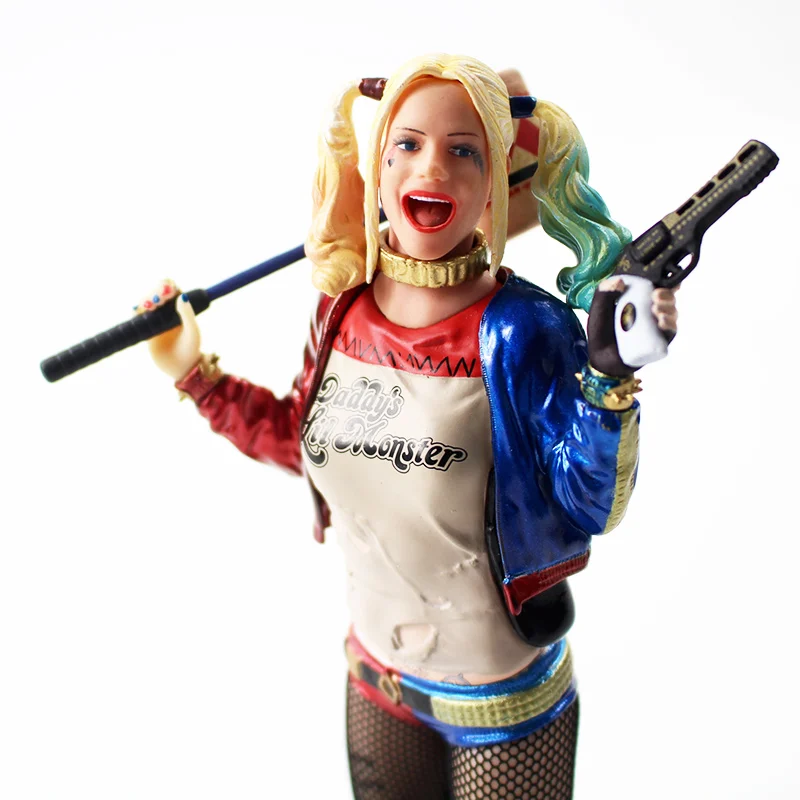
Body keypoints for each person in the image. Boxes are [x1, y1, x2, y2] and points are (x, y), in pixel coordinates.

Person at [145, 53, 677, 800]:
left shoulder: (524, 331)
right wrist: (193, 373)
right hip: (375, 676)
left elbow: (591, 506)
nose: (433, 166)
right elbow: (300, 438)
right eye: (409, 143)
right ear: (379, 167)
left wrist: (607, 381)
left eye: (464, 150)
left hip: (499, 699)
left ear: (497, 184)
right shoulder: (341, 310)